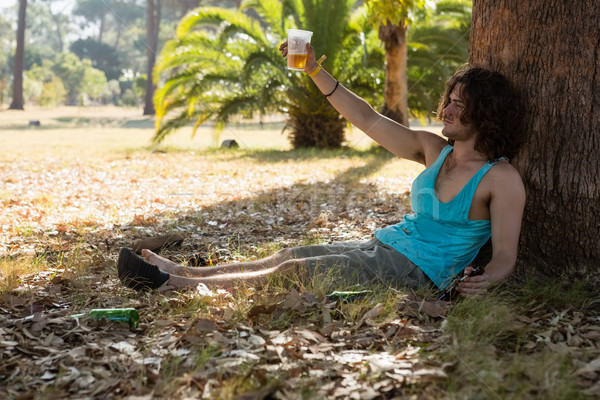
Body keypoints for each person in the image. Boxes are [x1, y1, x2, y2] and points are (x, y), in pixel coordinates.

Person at [117, 41, 526, 298]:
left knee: (296, 271)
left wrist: (485, 281)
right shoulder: (433, 148)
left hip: (418, 272)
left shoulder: (499, 178)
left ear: (486, 114)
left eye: (461, 103)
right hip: (386, 245)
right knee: (289, 253)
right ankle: (178, 268)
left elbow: (505, 256)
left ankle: (171, 285)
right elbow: (367, 119)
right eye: (449, 99)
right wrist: (314, 69)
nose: (449, 108)